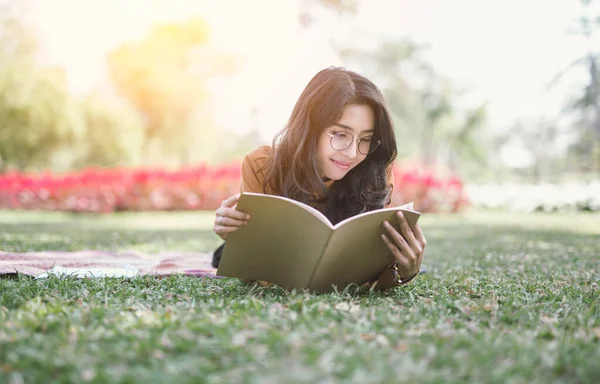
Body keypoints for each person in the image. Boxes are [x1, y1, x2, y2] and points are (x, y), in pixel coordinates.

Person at [212, 67, 426, 291]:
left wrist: (405, 271)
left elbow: (372, 277)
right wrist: (238, 240)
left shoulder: (375, 170)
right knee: (222, 255)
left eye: (366, 139)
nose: (353, 153)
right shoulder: (262, 165)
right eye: (341, 134)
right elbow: (255, 277)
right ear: (309, 128)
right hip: (285, 254)